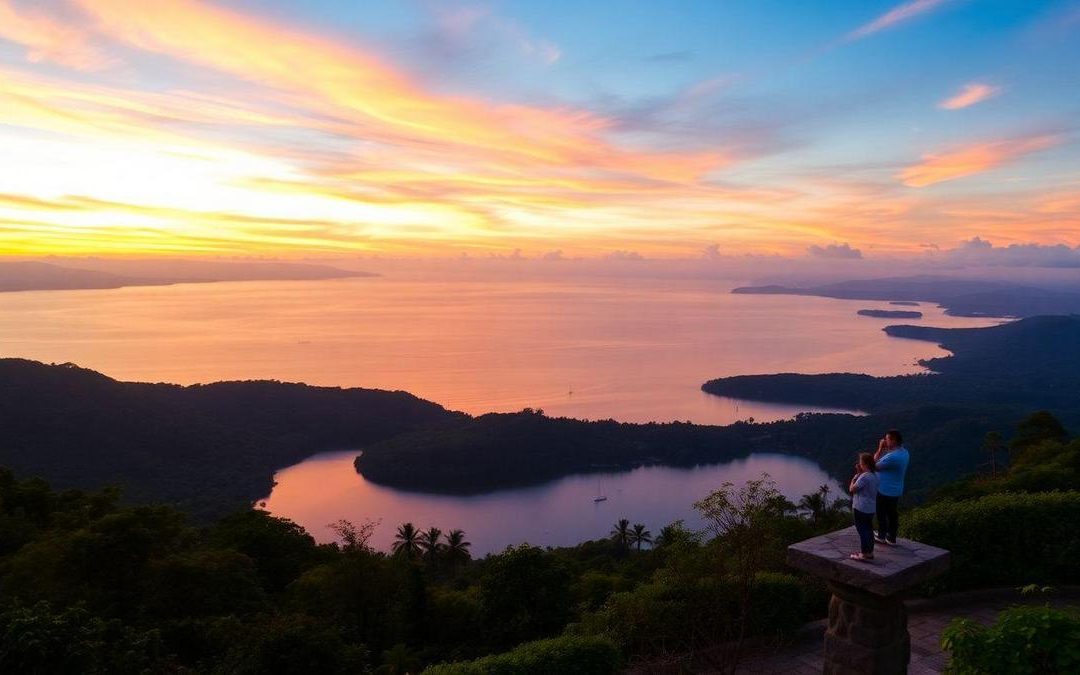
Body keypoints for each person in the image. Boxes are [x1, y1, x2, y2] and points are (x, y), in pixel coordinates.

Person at [874, 429, 909, 546]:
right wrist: (886, 448)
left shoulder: (892, 457)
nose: (885, 441)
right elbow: (889, 455)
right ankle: (892, 537)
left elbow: (874, 465)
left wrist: (879, 448)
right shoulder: (904, 452)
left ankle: (882, 536)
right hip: (896, 489)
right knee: (892, 514)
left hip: (884, 490)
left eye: (887, 439)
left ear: (893, 441)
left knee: (881, 513)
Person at [849, 452, 879, 562]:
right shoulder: (874, 475)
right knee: (868, 530)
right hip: (870, 508)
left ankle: (864, 554)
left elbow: (852, 489)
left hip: (860, 508)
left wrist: (853, 479)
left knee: (862, 530)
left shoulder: (864, 477)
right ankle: (869, 553)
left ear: (865, 464)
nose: (859, 464)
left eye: (861, 463)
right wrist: (859, 473)